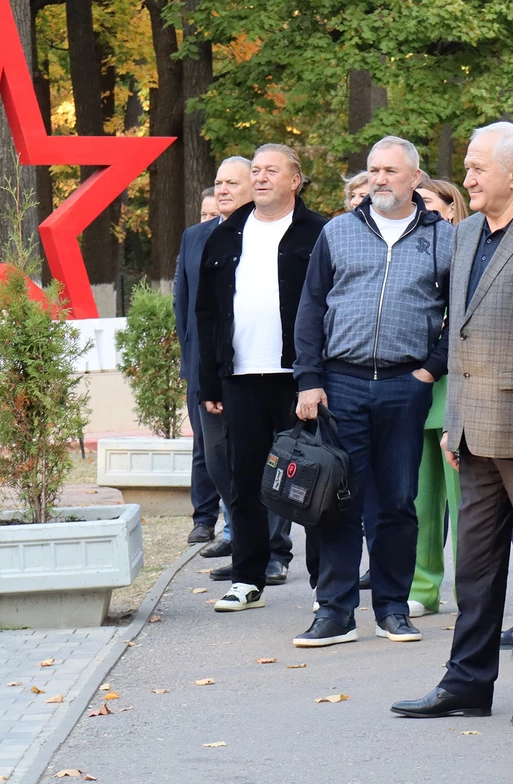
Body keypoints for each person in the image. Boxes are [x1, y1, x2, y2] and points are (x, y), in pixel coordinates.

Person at [391, 121, 513, 724]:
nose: (467, 178)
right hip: (473, 429)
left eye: (477, 168)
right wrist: (453, 421)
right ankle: (467, 683)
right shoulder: (469, 231)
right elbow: (459, 333)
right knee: (474, 568)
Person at [292, 136, 454, 647]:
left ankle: (392, 610)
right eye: (374, 170)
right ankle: (334, 612)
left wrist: (429, 371)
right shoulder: (338, 231)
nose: (379, 179)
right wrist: (309, 379)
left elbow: (461, 315)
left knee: (398, 503)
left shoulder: (443, 238)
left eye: (390, 171)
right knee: (337, 501)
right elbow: (311, 307)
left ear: (415, 178)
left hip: (407, 386)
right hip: (341, 383)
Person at [196, 144, 329, 611]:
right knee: (245, 481)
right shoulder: (226, 234)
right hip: (242, 376)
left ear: (295, 180)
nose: (261, 177)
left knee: (315, 481)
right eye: (256, 170)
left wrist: (321, 374)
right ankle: (247, 579)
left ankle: (325, 586)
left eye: (273, 170)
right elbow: (206, 313)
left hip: (301, 377)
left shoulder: (320, 232)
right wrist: (210, 381)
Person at [408, 179, 467, 617]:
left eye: (427, 202)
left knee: (465, 503)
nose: (421, 209)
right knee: (421, 500)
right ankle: (423, 588)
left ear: (450, 208)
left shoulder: (467, 247)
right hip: (418, 389)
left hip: (457, 389)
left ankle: (471, 592)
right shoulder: (412, 249)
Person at [175, 182, 232, 548]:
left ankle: (240, 529)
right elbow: (182, 302)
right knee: (206, 447)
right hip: (200, 362)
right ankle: (205, 517)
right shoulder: (193, 238)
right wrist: (190, 357)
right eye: (205, 213)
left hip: (242, 366)